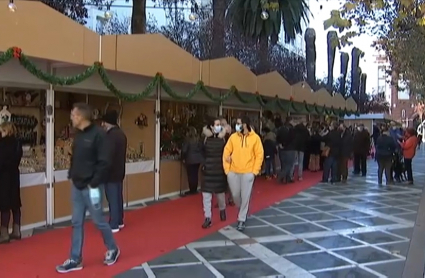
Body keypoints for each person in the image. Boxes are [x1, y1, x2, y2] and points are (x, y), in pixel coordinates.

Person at [56, 103, 119, 273]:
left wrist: (94, 182)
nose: (71, 117)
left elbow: (105, 161)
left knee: (98, 221)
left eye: (73, 114)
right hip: (77, 186)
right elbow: (75, 158)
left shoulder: (99, 135)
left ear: (81, 116)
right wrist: (72, 174)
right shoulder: (78, 136)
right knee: (76, 222)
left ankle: (112, 248)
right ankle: (75, 258)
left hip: (92, 188)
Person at [223, 116, 263, 231]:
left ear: (245, 124)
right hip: (233, 172)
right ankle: (243, 211)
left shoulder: (255, 138)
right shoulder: (233, 137)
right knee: (235, 195)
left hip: (247, 172)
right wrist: (227, 170)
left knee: (245, 196)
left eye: (239, 123)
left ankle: (241, 219)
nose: (237, 125)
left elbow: (259, 155)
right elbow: (226, 153)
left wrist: (254, 172)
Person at [101, 110, 127, 233]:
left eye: (104, 122)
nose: (102, 124)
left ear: (107, 123)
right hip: (119, 170)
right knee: (118, 196)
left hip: (110, 172)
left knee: (112, 198)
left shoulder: (110, 136)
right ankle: (120, 220)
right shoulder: (121, 134)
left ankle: (114, 223)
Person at [201, 119, 227, 228]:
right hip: (208, 171)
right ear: (211, 127)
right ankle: (208, 217)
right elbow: (201, 152)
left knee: (220, 194)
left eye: (220, 125)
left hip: (219, 171)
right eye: (217, 125)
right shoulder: (205, 139)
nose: (219, 126)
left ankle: (222, 209)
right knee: (206, 196)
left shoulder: (223, 138)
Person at [0, 122, 22, 244]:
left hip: (4, 177)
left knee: (4, 205)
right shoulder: (18, 143)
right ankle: (17, 230)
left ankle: (4, 233)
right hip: (15, 175)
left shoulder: (2, 144)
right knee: (15, 203)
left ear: (6, 130)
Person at [181, 126, 203, 196]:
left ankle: (191, 190)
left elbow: (184, 150)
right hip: (198, 159)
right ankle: (195, 189)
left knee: (190, 175)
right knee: (195, 174)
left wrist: (182, 157)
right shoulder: (198, 139)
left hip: (190, 159)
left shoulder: (187, 140)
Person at [276, 117, 296, 184]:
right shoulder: (292, 129)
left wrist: (280, 144)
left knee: (283, 164)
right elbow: (291, 139)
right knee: (289, 164)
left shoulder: (280, 129)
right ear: (290, 121)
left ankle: (286, 178)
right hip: (290, 149)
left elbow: (277, 137)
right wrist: (285, 144)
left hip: (282, 149)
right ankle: (282, 176)